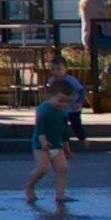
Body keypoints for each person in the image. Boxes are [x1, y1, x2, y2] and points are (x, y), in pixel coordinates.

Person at [23, 69, 76, 210]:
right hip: (41, 144)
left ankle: (60, 194)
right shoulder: (44, 109)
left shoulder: (63, 111)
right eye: (60, 100)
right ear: (50, 96)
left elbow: (65, 129)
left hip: (56, 144)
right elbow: (39, 126)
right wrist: (43, 141)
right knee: (42, 169)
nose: (64, 104)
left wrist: (66, 146)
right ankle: (29, 187)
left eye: (67, 101)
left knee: (63, 168)